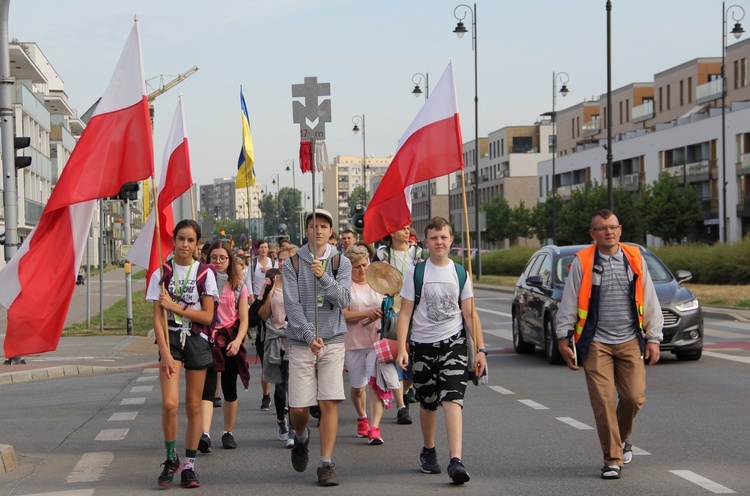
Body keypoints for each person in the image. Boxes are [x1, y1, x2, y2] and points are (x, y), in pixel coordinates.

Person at [555, 209, 664, 480]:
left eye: (612, 227)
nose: (608, 232)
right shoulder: (583, 262)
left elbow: (649, 298)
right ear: (593, 234)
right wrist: (563, 338)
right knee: (603, 401)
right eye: (602, 228)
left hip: (629, 340)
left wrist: (654, 338)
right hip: (596, 343)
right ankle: (612, 459)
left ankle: (622, 439)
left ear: (620, 229)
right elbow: (569, 301)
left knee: (634, 398)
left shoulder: (635, 258)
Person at [395, 216, 486, 485]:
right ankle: (428, 449)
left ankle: (456, 460)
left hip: (453, 343)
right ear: (426, 241)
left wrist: (480, 350)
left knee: (452, 398)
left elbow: (470, 315)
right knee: (428, 402)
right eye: (434, 238)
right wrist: (401, 347)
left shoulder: (460, 273)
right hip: (423, 345)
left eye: (444, 237)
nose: (439, 242)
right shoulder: (416, 272)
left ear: (451, 240)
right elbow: (404, 314)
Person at [146, 219, 218, 489]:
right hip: (171, 340)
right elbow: (157, 317)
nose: (185, 245)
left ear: (197, 244)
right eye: (181, 239)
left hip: (197, 339)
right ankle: (171, 458)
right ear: (173, 240)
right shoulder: (161, 273)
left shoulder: (205, 273)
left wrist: (175, 306)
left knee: (194, 406)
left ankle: (189, 465)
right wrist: (164, 351)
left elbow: (208, 316)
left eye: (191, 240)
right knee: (169, 404)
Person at [282, 209, 352, 486]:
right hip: (302, 343)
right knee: (299, 409)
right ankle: (301, 437)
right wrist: (309, 335)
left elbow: (344, 299)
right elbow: (292, 305)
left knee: (328, 402)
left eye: (324, 226)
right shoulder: (293, 263)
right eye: (313, 226)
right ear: (306, 230)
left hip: (333, 340)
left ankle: (326, 463)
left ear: (331, 231)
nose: (318, 230)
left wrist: (324, 276)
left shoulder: (340, 262)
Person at [198, 241, 251, 453]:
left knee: (230, 388)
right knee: (208, 389)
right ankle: (204, 434)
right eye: (214, 258)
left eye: (222, 258)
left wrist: (238, 341)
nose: (218, 262)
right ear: (207, 259)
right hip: (207, 338)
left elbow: (244, 319)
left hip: (230, 338)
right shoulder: (202, 282)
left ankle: (228, 432)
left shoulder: (238, 284)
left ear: (229, 260)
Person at [375, 224, 425, 424]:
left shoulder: (418, 253)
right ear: (391, 232)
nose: (407, 231)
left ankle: (406, 390)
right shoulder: (383, 253)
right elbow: (375, 279)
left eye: (408, 228)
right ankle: (401, 407)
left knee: (413, 358)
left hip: (415, 313)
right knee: (392, 357)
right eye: (402, 228)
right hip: (393, 312)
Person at [342, 245, 388, 445]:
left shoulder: (377, 282)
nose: (362, 269)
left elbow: (391, 303)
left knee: (375, 385)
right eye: (357, 267)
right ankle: (362, 416)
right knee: (358, 387)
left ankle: (375, 428)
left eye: (364, 264)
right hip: (354, 343)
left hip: (377, 342)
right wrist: (366, 314)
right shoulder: (345, 287)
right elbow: (343, 315)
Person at [244, 239, 276, 410]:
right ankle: (266, 396)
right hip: (258, 300)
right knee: (264, 352)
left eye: (266, 247)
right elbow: (248, 281)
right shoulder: (253, 264)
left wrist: (269, 271)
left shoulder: (274, 262)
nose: (264, 250)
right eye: (261, 247)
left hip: (274, 303)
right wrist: (251, 298)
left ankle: (279, 394)